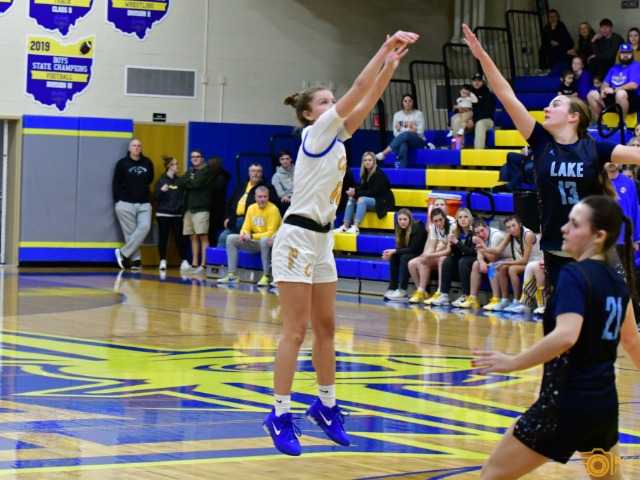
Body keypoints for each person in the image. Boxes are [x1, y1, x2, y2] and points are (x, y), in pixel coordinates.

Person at [264, 30, 419, 457]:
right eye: (325, 102)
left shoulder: (337, 137)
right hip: (297, 236)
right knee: (295, 331)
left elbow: (367, 98)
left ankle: (326, 405)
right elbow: (358, 89)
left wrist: (390, 68)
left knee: (327, 328)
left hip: (322, 239)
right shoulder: (314, 135)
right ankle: (279, 414)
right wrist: (383, 48)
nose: (333, 105)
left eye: (332, 101)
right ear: (309, 114)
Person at [472, 195, 640, 479]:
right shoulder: (617, 282)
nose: (564, 228)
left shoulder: (575, 275)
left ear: (598, 236)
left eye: (574, 224)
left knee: (491, 475)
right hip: (602, 409)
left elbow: (565, 336)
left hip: (563, 408)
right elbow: (633, 342)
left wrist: (512, 362)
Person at [463, 23, 640, 291]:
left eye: (555, 104)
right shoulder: (541, 142)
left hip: (594, 250)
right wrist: (482, 56)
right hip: (556, 252)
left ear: (574, 116)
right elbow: (506, 95)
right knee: (562, 316)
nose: (546, 108)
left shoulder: (594, 148)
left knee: (619, 313)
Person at [217, 186, 282, 286]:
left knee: (264, 240)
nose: (263, 199)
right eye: (260, 197)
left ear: (268, 197)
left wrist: (251, 236)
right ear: (255, 197)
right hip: (255, 241)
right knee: (231, 238)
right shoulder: (251, 208)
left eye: (265, 196)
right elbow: (246, 227)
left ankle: (266, 276)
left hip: (270, 243)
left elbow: (270, 233)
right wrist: (243, 234)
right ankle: (232, 275)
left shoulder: (273, 209)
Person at [478, 215, 543, 312]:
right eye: (508, 227)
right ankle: (505, 300)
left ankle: (517, 301)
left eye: (513, 226)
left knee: (512, 269)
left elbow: (525, 260)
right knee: (501, 267)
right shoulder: (510, 235)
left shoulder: (528, 235)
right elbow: (498, 250)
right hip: (524, 263)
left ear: (519, 225)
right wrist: (484, 248)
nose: (511, 229)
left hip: (535, 263)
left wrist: (505, 263)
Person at [112, 138, 154, 270]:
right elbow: (116, 182)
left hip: (144, 202)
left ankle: (123, 253)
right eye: (134, 145)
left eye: (139, 146)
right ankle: (136, 261)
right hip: (125, 202)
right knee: (130, 233)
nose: (136, 148)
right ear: (129, 148)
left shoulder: (147, 162)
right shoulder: (122, 163)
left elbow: (150, 179)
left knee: (145, 227)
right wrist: (117, 200)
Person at [217, 163, 278, 248]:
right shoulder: (240, 187)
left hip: (254, 223)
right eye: (253, 171)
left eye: (258, 171)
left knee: (239, 226)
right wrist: (227, 217)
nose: (255, 173)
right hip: (234, 220)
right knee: (223, 237)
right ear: (249, 173)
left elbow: (272, 205)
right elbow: (229, 204)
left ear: (262, 173)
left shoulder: (268, 188)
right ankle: (220, 257)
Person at [333, 151, 395, 235]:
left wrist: (356, 193)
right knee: (351, 198)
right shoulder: (365, 173)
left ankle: (356, 228)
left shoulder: (379, 174)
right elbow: (362, 189)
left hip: (383, 201)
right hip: (374, 199)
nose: (367, 162)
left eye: (370, 160)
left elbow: (374, 193)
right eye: (365, 160)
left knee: (361, 200)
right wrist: (353, 192)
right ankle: (345, 226)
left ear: (374, 162)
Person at [456, 218, 510, 309]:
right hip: (498, 259)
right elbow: (480, 254)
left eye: (482, 230)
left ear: (487, 228)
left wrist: (481, 244)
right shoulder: (479, 238)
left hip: (509, 259)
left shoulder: (496, 235)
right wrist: (481, 262)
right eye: (477, 232)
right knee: (476, 264)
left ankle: (496, 299)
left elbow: (493, 258)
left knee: (493, 266)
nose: (481, 234)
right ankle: (473, 298)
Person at [176, 150, 213, 275]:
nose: (195, 159)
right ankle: (195, 263)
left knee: (203, 236)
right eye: (193, 157)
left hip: (201, 208)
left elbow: (197, 184)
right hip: (189, 208)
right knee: (192, 236)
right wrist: (189, 180)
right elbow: (179, 182)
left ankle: (204, 264)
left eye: (197, 157)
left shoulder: (206, 171)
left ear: (202, 159)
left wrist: (188, 181)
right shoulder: (190, 171)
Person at [429, 208, 475, 306]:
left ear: (470, 218)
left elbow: (471, 252)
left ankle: (466, 295)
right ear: (457, 220)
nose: (463, 219)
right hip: (463, 257)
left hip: (474, 257)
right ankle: (444, 294)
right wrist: (452, 244)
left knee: (463, 261)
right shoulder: (456, 232)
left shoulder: (474, 231)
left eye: (465, 217)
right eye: (460, 217)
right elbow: (457, 253)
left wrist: (456, 242)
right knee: (447, 260)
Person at [408, 207, 451, 304]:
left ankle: (440, 292)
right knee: (420, 261)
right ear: (432, 221)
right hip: (440, 252)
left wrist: (431, 255)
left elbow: (448, 250)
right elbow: (432, 246)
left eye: (440, 220)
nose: (438, 223)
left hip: (452, 254)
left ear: (444, 217)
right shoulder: (433, 227)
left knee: (441, 260)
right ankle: (421, 291)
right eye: (435, 221)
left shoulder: (452, 225)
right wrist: (425, 255)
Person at [587, 44, 640, 121]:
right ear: (619, 54)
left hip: (631, 100)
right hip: (614, 98)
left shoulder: (636, 66)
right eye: (623, 53)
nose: (625, 55)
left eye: (628, 53)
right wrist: (603, 91)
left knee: (621, 93)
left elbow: (634, 85)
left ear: (632, 54)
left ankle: (622, 123)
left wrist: (615, 89)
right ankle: (600, 123)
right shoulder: (615, 67)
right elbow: (605, 83)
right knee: (592, 94)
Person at [382, 209, 427, 300]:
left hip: (421, 253)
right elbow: (402, 247)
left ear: (410, 219)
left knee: (404, 257)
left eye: (405, 219)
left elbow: (414, 248)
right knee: (394, 256)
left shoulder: (418, 226)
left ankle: (403, 290)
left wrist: (395, 251)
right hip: (412, 252)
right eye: (400, 219)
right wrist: (390, 252)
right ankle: (392, 288)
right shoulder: (400, 230)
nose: (402, 222)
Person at [154, 156, 189, 271]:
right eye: (175, 164)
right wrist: (161, 191)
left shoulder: (179, 181)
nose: (178, 166)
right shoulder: (161, 181)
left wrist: (182, 209)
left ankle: (184, 260)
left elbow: (183, 197)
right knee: (163, 237)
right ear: (169, 166)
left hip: (177, 214)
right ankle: (162, 260)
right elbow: (156, 197)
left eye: (178, 164)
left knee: (179, 238)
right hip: (163, 214)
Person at [374, 93, 425, 167]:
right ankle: (402, 170)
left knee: (406, 134)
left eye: (410, 101)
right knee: (403, 144)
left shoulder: (418, 114)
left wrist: (401, 129)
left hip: (418, 141)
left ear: (413, 103)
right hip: (403, 141)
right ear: (402, 103)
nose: (407, 103)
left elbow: (420, 132)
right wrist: (411, 130)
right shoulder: (397, 115)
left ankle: (384, 153)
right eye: (405, 101)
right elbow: (396, 133)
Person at [538, 9, 573, 75]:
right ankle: (543, 68)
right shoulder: (547, 27)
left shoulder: (561, 26)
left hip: (561, 46)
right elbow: (544, 39)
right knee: (543, 49)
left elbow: (567, 39)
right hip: (550, 47)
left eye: (554, 16)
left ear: (557, 17)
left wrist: (558, 42)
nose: (552, 18)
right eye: (550, 17)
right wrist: (550, 41)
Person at [467, 73, 496, 149]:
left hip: (486, 120)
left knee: (480, 124)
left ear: (483, 82)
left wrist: (474, 120)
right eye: (474, 80)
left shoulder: (488, 95)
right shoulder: (468, 94)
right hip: (471, 120)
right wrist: (458, 110)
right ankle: (458, 148)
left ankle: (478, 152)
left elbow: (487, 112)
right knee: (457, 120)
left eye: (479, 81)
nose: (476, 83)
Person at [207, 156, 231, 247]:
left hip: (216, 208)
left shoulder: (220, 177)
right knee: (211, 232)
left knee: (211, 231)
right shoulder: (220, 175)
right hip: (215, 207)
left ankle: (215, 250)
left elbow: (217, 190)